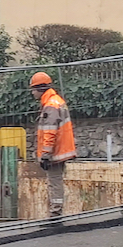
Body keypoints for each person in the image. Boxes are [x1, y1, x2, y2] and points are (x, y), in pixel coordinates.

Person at [29, 71, 77, 218]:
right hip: (60, 150)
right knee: (56, 181)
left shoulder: (50, 105)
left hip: (55, 152)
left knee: (54, 182)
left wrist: (45, 155)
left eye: (33, 89)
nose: (32, 93)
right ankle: (56, 211)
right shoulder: (56, 101)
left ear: (39, 89)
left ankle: (56, 213)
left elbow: (50, 132)